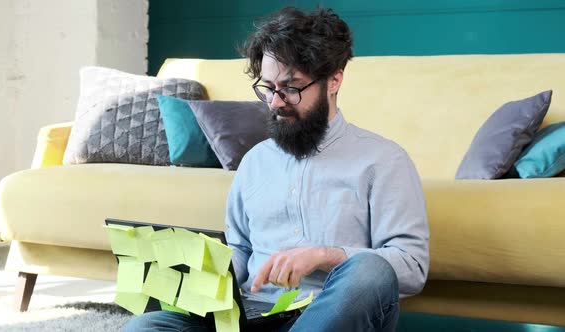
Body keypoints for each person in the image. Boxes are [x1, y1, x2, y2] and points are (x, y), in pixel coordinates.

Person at [124, 7, 429, 332]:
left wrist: (323, 255)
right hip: (254, 317)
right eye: (268, 87)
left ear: (334, 80)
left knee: (371, 269)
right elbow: (240, 250)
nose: (275, 102)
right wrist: (193, 274)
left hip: (330, 315)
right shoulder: (254, 162)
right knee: (146, 326)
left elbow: (411, 266)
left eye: (291, 88)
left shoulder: (383, 160)